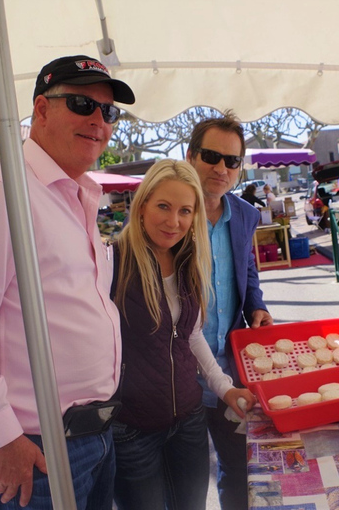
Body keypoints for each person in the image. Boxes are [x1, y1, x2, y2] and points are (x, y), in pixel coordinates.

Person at [0, 55, 135, 510]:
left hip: (91, 436)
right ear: (41, 109)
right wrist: (0, 438)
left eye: (109, 111)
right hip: (34, 447)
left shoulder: (74, 194)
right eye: (82, 104)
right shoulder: (0, 190)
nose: (99, 121)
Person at [109, 159, 256, 510]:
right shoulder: (112, 263)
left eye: (185, 211)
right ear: (142, 205)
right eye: (163, 206)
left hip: (189, 422)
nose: (173, 221)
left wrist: (225, 388)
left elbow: (191, 335)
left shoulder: (188, 261)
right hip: (132, 429)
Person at [186, 112, 274, 510]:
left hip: (229, 369)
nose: (221, 168)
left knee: (238, 468)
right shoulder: (169, 214)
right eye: (211, 156)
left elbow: (247, 268)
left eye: (232, 161)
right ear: (190, 156)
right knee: (186, 484)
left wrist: (256, 304)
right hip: (178, 375)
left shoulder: (246, 214)